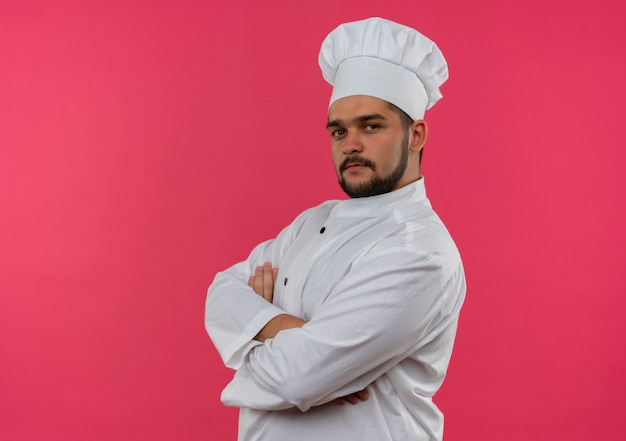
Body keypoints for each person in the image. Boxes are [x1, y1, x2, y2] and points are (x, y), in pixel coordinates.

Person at [205, 17, 466, 441]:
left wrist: (253, 336)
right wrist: (290, 330)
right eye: (339, 130)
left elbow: (297, 379)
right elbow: (221, 291)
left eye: (371, 126)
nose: (351, 144)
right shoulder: (311, 223)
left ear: (415, 134)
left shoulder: (420, 252)